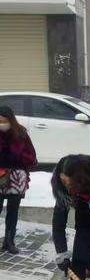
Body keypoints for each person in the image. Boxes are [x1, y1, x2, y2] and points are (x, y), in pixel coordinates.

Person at [0, 106, 37, 254]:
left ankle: (9, 241)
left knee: (13, 210)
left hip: (16, 177)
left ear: (10, 119)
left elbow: (32, 156)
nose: (2, 124)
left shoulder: (21, 133)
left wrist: (18, 160)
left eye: (4, 121)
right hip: (0, 175)